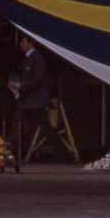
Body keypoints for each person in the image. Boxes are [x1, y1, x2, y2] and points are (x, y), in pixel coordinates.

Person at [11, 33, 70, 162]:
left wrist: (22, 85)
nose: (21, 44)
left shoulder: (37, 58)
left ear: (30, 43)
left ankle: (63, 155)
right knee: (26, 126)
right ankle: (15, 154)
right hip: (29, 100)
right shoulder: (30, 58)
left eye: (23, 41)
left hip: (35, 101)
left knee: (39, 127)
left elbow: (38, 78)